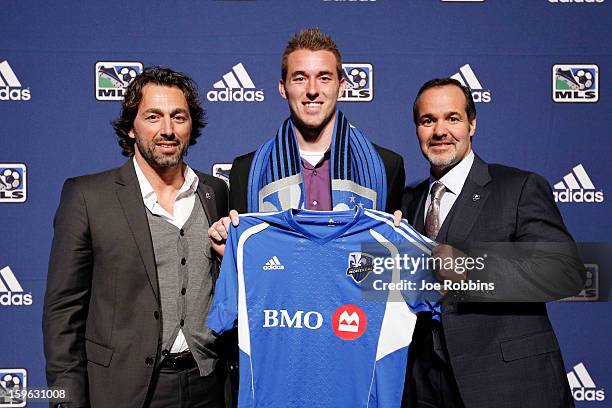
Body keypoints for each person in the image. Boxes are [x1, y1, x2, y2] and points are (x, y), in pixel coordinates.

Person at [43, 67, 228, 408]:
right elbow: (63, 313)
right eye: (153, 117)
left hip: (208, 385)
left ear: (192, 126)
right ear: (131, 127)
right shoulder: (87, 197)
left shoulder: (215, 192)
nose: (168, 130)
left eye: (179, 117)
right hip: (124, 391)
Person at [400, 77, 585, 408]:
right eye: (428, 120)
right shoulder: (406, 201)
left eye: (452, 118)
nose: (440, 131)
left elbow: (565, 271)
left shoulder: (518, 187)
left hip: (509, 387)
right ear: (417, 129)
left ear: (472, 124)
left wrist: (472, 269)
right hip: (425, 389)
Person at [209, 27, 405, 255]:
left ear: (341, 86)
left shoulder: (386, 166)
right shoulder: (246, 171)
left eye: (324, 78)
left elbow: (386, 275)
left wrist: (397, 247)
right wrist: (231, 250)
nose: (312, 90)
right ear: (283, 88)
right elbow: (248, 269)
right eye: (300, 78)